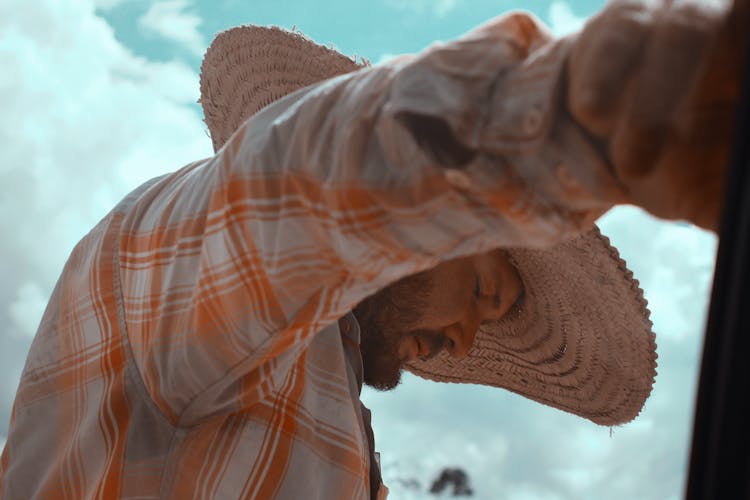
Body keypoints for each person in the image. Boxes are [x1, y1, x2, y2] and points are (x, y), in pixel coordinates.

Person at [0, 0, 744, 498]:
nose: (464, 343)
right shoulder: (187, 250)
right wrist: (603, 109)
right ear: (436, 220)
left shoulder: (311, 374)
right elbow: (310, 178)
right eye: (486, 292)